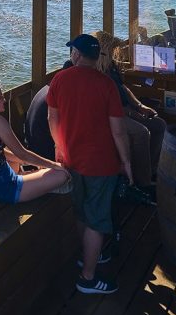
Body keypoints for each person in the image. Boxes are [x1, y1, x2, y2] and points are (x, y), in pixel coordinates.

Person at [48, 34, 133, 295]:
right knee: (97, 219)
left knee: (82, 212)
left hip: (70, 160)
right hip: (101, 164)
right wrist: (127, 162)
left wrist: (59, 148)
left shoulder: (60, 79)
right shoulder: (106, 84)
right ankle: (87, 277)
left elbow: (53, 119)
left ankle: (86, 256)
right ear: (97, 57)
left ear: (76, 54)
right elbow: (118, 131)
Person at [0, 81, 70, 204]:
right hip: (6, 188)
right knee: (62, 175)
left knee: (20, 163)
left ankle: (32, 178)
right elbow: (22, 153)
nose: (4, 100)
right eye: (0, 97)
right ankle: (42, 186)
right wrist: (53, 165)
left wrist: (31, 163)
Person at [93, 30, 166, 185]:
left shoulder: (110, 66)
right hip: (111, 115)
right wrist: (133, 113)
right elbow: (107, 105)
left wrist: (140, 106)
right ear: (103, 52)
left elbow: (123, 88)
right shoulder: (97, 72)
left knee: (159, 125)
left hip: (125, 110)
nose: (114, 54)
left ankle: (152, 169)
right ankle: (141, 180)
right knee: (141, 132)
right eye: (111, 51)